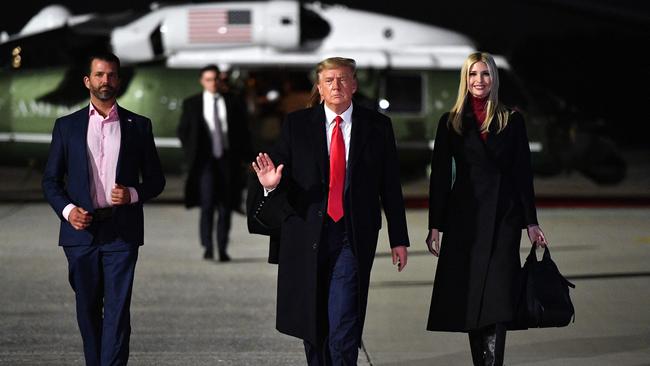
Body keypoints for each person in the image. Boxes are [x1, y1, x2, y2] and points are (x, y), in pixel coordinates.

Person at [248, 57, 410, 365]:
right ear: (320, 88)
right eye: (329, 81)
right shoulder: (296, 125)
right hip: (307, 235)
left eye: (343, 79)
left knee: (344, 323)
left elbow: (390, 186)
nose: (336, 85)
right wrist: (271, 185)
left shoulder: (377, 127)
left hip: (352, 236)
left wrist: (398, 238)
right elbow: (274, 174)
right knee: (314, 325)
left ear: (354, 85)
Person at [42, 52, 165, 366]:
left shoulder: (138, 126)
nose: (105, 81)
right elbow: (51, 181)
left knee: (117, 311)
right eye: (99, 75)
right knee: (87, 308)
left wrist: (133, 194)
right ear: (88, 81)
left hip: (121, 233)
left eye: (111, 75)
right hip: (79, 233)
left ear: (118, 81)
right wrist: (69, 211)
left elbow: (156, 180)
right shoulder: (66, 126)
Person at [425, 52, 548, 366]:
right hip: (465, 217)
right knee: (470, 294)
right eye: (473, 75)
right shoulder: (450, 122)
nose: (479, 81)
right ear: (465, 80)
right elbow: (439, 177)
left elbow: (523, 173)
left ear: (495, 79)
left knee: (497, 295)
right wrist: (435, 225)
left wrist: (531, 222)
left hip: (504, 217)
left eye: (486, 74)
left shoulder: (512, 120)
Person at [177, 64, 252, 261]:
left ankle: (223, 246)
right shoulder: (192, 103)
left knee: (226, 205)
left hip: (228, 160)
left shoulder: (234, 102)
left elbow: (244, 132)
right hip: (205, 161)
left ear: (221, 80)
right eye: (209, 79)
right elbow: (183, 131)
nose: (213, 83)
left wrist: (247, 158)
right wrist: (191, 152)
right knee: (208, 203)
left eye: (216, 79)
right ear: (202, 81)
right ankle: (208, 246)